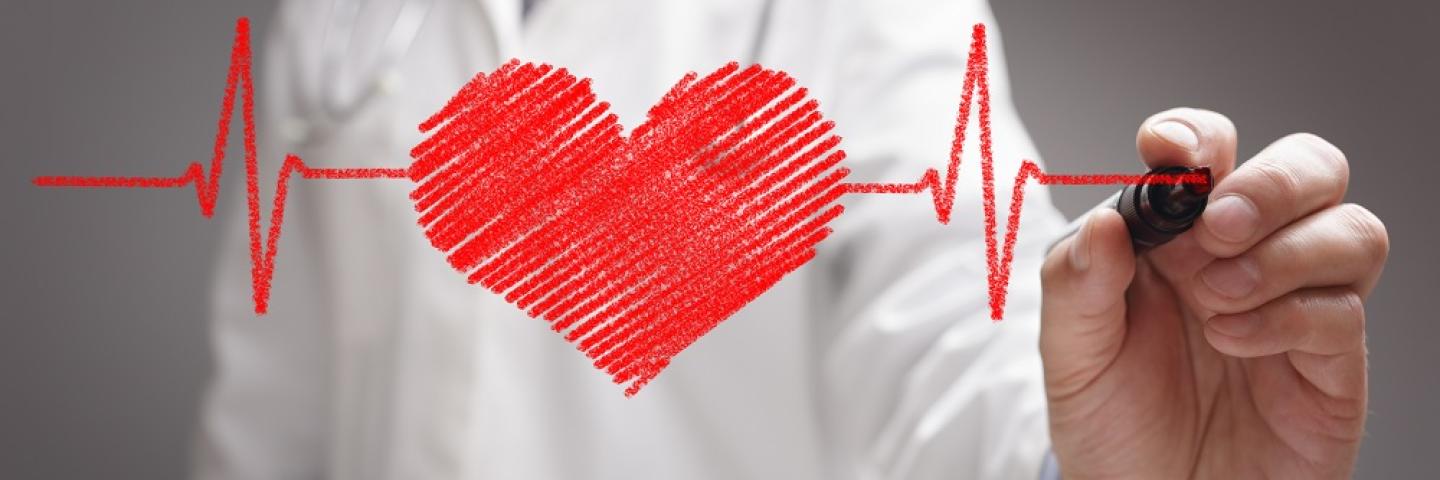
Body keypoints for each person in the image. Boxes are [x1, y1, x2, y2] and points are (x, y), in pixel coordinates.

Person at [194, 0, 1389, 478]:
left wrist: (1103, 473)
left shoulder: (860, 15)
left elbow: (951, 346)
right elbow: (268, 417)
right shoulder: (331, 16)